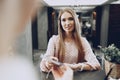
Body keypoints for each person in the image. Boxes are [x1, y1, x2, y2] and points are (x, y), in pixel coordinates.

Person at [40, 8, 101, 80]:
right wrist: (47, 63)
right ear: (60, 23)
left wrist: (75, 66)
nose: (67, 23)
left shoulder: (82, 41)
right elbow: (43, 65)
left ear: (75, 21)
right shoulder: (54, 40)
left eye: (70, 19)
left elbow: (96, 64)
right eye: (64, 20)